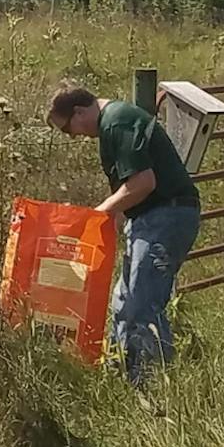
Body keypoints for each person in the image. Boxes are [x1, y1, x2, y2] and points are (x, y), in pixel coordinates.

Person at [46, 82, 202, 384]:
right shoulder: (112, 124)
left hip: (166, 215)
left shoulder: (117, 121)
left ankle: (152, 387)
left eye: (68, 128)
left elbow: (143, 183)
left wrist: (96, 215)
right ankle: (123, 376)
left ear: (79, 111)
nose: (74, 136)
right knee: (124, 301)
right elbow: (128, 191)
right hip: (150, 218)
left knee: (142, 305)